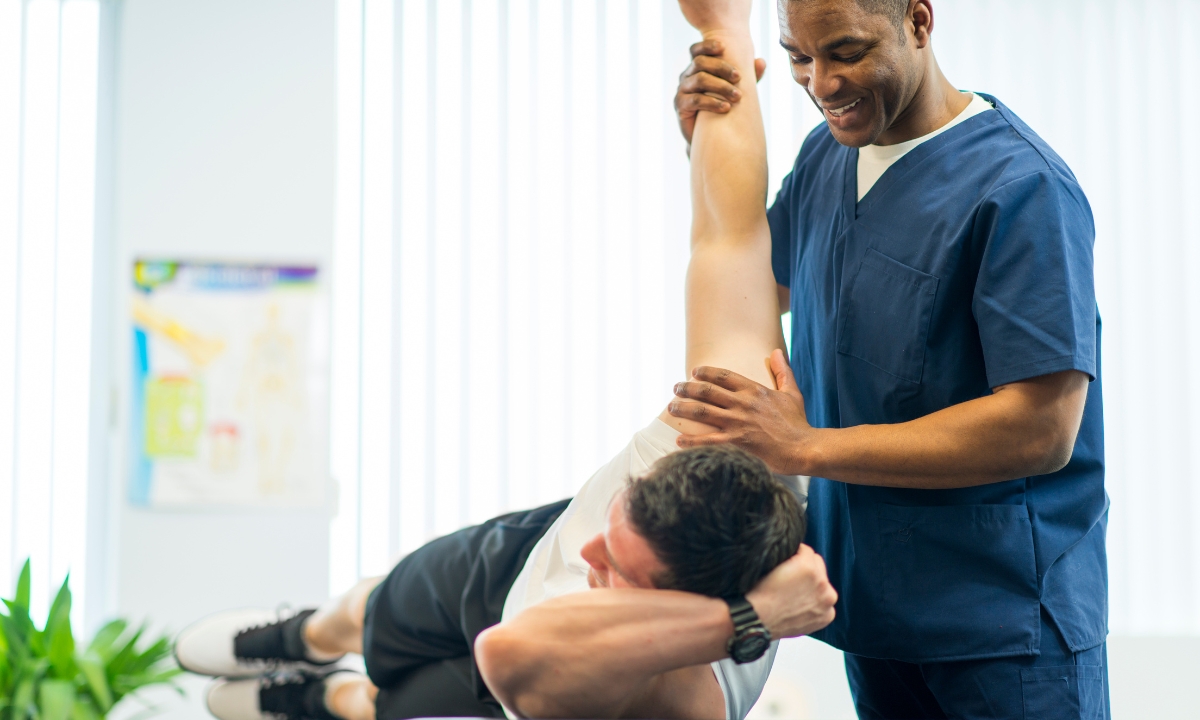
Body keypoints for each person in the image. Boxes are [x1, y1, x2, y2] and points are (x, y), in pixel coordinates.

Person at [175, 1, 835, 718]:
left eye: (618, 569)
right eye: (612, 532)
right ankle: (306, 633)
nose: (590, 559)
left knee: (390, 705)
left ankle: (325, 697)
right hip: (520, 556)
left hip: (540, 679)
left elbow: (510, 653)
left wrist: (742, 623)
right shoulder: (729, 432)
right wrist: (724, 30)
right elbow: (728, 237)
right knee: (383, 606)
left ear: (686, 608)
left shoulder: (679, 704)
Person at [669, 1, 1108, 718]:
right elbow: (756, 279)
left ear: (918, 20)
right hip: (874, 612)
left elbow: (1043, 428)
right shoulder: (826, 158)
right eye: (798, 57)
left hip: (1002, 628)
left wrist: (805, 446)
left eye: (846, 51)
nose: (822, 83)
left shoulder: (1022, 189)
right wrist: (707, 142)